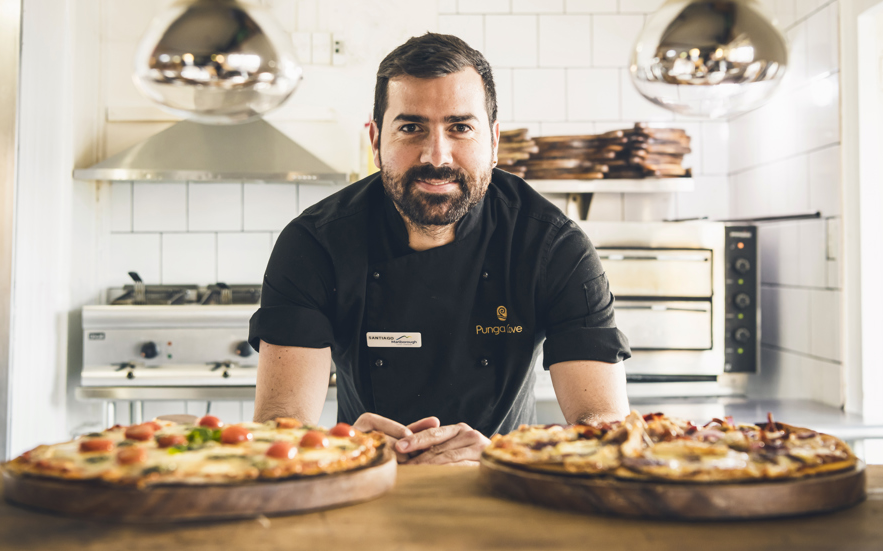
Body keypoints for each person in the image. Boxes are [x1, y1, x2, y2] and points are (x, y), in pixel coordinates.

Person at [249, 33, 631, 466]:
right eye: (411, 127)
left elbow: (603, 428)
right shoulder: (315, 244)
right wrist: (347, 447)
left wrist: (501, 457)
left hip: (504, 489)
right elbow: (280, 427)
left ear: (494, 142)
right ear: (375, 140)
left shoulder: (552, 245)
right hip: (365, 484)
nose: (437, 156)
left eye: (460, 127)